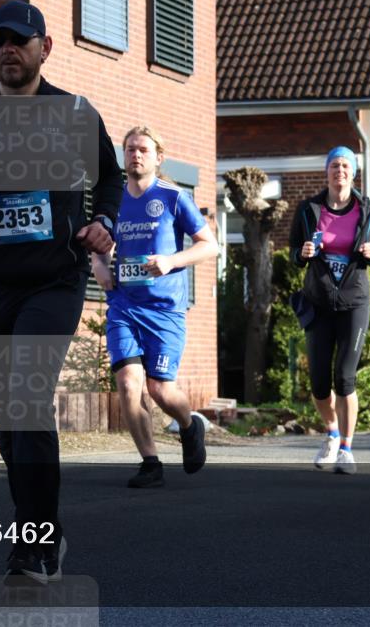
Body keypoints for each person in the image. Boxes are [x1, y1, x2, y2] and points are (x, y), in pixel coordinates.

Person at [0, 0, 123, 583]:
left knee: (29, 398)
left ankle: (30, 543)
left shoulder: (74, 113)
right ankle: (47, 529)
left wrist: (105, 223)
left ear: (45, 48)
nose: (8, 49)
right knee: (12, 417)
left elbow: (108, 177)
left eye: (20, 40)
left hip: (54, 280)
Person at [90, 126, 218, 488]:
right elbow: (100, 245)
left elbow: (210, 246)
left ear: (158, 156)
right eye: (130, 149)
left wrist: (172, 261)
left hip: (164, 308)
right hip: (123, 305)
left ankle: (190, 426)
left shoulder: (173, 197)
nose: (136, 155)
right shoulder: (113, 200)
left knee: (161, 389)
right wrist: (100, 266)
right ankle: (150, 462)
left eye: (143, 149)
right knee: (130, 385)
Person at [288, 146, 370, 474]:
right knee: (317, 383)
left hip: (353, 303)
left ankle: (346, 448)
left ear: (353, 172)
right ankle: (331, 432)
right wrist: (302, 253)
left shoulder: (369, 210)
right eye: (334, 166)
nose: (339, 171)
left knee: (344, 378)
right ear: (326, 172)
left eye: (345, 166)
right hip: (318, 303)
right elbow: (293, 253)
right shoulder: (308, 209)